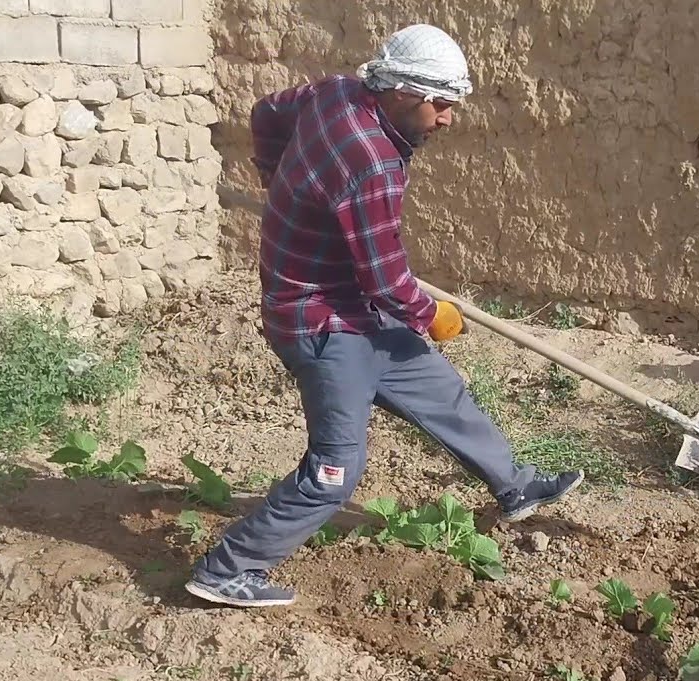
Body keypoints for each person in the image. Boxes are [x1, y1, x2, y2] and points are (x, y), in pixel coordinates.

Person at [184, 23, 584, 608]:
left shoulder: (336, 92)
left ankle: (516, 487)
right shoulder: (370, 161)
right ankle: (229, 569)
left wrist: (274, 176)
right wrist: (434, 315)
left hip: (356, 303)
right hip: (320, 321)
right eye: (441, 105)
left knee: (442, 391)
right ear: (402, 92)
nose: (448, 118)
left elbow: (266, 111)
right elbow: (388, 279)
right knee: (335, 469)